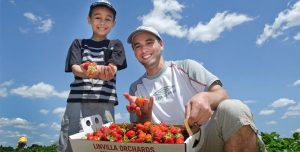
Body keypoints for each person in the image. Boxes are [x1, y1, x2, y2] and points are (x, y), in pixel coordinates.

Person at [124, 26, 265, 152]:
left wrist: (206, 97)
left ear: (161, 44)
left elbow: (222, 94)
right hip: (167, 146)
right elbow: (140, 137)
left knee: (234, 108)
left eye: (149, 42)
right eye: (138, 46)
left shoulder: (186, 67)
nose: (144, 50)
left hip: (204, 141)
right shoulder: (135, 89)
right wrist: (144, 116)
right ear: (134, 52)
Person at [57, 1, 127, 152]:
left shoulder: (115, 44)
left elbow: (112, 68)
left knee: (104, 142)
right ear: (89, 19)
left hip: (104, 101)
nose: (102, 22)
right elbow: (75, 67)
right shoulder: (79, 43)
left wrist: (106, 71)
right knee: (70, 142)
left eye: (108, 19)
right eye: (97, 17)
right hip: (77, 101)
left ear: (114, 23)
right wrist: (86, 71)